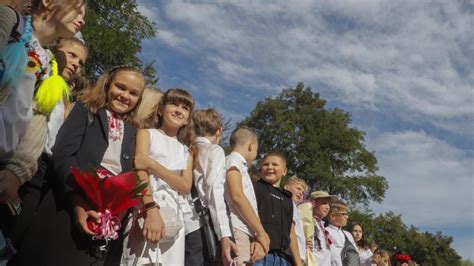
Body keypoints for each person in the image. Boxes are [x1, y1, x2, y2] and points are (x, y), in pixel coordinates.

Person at [20, 65, 144, 266]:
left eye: (133, 93)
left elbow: (129, 175)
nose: (125, 96)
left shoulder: (134, 131)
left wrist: (118, 212)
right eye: (120, 87)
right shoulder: (86, 110)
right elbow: (63, 155)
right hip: (68, 205)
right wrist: (77, 200)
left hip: (104, 216)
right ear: (107, 85)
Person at [0, 36, 88, 263]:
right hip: (21, 162)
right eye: (72, 55)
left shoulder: (65, 96)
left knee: (18, 231)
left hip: (43, 170)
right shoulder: (41, 73)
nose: (76, 64)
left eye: (81, 62)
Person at [0, 0, 86, 163]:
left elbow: (38, 118)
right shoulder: (8, 21)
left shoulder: (48, 63)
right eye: (77, 10)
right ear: (47, 2)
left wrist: (18, 170)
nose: (82, 20)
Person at [121, 88, 195, 265]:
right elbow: (140, 170)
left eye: (185, 108)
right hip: (147, 207)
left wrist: (153, 164)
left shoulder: (186, 151)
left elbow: (185, 186)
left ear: (187, 119)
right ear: (161, 110)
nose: (179, 110)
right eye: (173, 104)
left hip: (173, 218)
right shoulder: (146, 134)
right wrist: (151, 209)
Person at [189, 108, 239, 265]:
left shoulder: (186, 149)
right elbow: (213, 191)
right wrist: (224, 234)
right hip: (202, 226)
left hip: (183, 222)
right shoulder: (214, 150)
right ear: (219, 131)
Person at [225, 126, 269, 265]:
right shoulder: (234, 161)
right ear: (251, 146)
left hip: (242, 230)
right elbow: (237, 196)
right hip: (237, 228)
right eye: (257, 150)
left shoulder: (237, 164)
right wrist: (261, 232)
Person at [253, 151, 302, 266]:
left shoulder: (288, 199)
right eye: (265, 164)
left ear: (284, 171)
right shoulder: (254, 188)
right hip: (261, 254)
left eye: (275, 164)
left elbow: (291, 232)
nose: (269, 167)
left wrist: (298, 262)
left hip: (284, 259)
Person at [325, 199, 359, 266]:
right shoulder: (326, 231)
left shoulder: (348, 234)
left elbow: (355, 255)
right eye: (344, 214)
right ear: (332, 216)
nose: (347, 217)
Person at [283, 175, 309, 261]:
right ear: (286, 187)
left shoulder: (297, 209)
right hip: (289, 255)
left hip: (296, 257)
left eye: (303, 192)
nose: (301, 193)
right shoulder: (288, 202)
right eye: (298, 189)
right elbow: (291, 231)